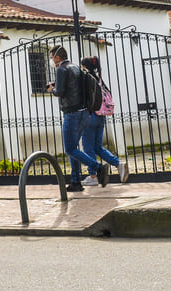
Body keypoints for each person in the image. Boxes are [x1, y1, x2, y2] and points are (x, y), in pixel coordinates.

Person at [46, 45, 93, 192]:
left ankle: (97, 167)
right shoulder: (75, 67)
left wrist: (51, 89)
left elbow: (60, 92)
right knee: (74, 148)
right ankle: (76, 182)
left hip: (71, 114)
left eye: (52, 57)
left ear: (58, 57)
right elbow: (72, 86)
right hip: (83, 112)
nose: (52, 60)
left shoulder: (61, 69)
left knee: (70, 148)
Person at [78, 56, 128, 186]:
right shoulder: (99, 79)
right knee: (97, 147)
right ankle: (119, 164)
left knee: (88, 147)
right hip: (100, 117)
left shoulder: (86, 78)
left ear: (84, 66)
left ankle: (93, 175)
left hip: (90, 116)